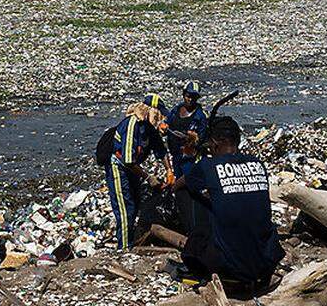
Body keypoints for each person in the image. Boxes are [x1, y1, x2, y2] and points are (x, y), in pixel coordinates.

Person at [174, 115, 283, 288]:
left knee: (185, 193)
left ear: (215, 143)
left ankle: (196, 248)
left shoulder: (207, 165)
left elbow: (178, 185)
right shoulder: (257, 163)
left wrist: (187, 161)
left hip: (230, 269)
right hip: (265, 265)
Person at [105, 97, 169, 249]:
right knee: (125, 209)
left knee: (135, 205)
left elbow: (160, 149)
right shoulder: (132, 125)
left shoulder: (149, 128)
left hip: (134, 169)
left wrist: (169, 170)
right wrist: (148, 177)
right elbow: (128, 160)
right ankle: (124, 249)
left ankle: (130, 241)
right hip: (119, 168)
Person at [164, 81, 208, 231]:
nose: (190, 99)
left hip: (189, 158)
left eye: (194, 97)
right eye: (189, 96)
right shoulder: (176, 110)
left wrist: (194, 138)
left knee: (190, 186)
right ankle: (184, 219)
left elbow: (202, 139)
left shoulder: (200, 116)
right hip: (176, 155)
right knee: (179, 188)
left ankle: (194, 222)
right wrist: (163, 127)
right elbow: (166, 123)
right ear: (184, 95)